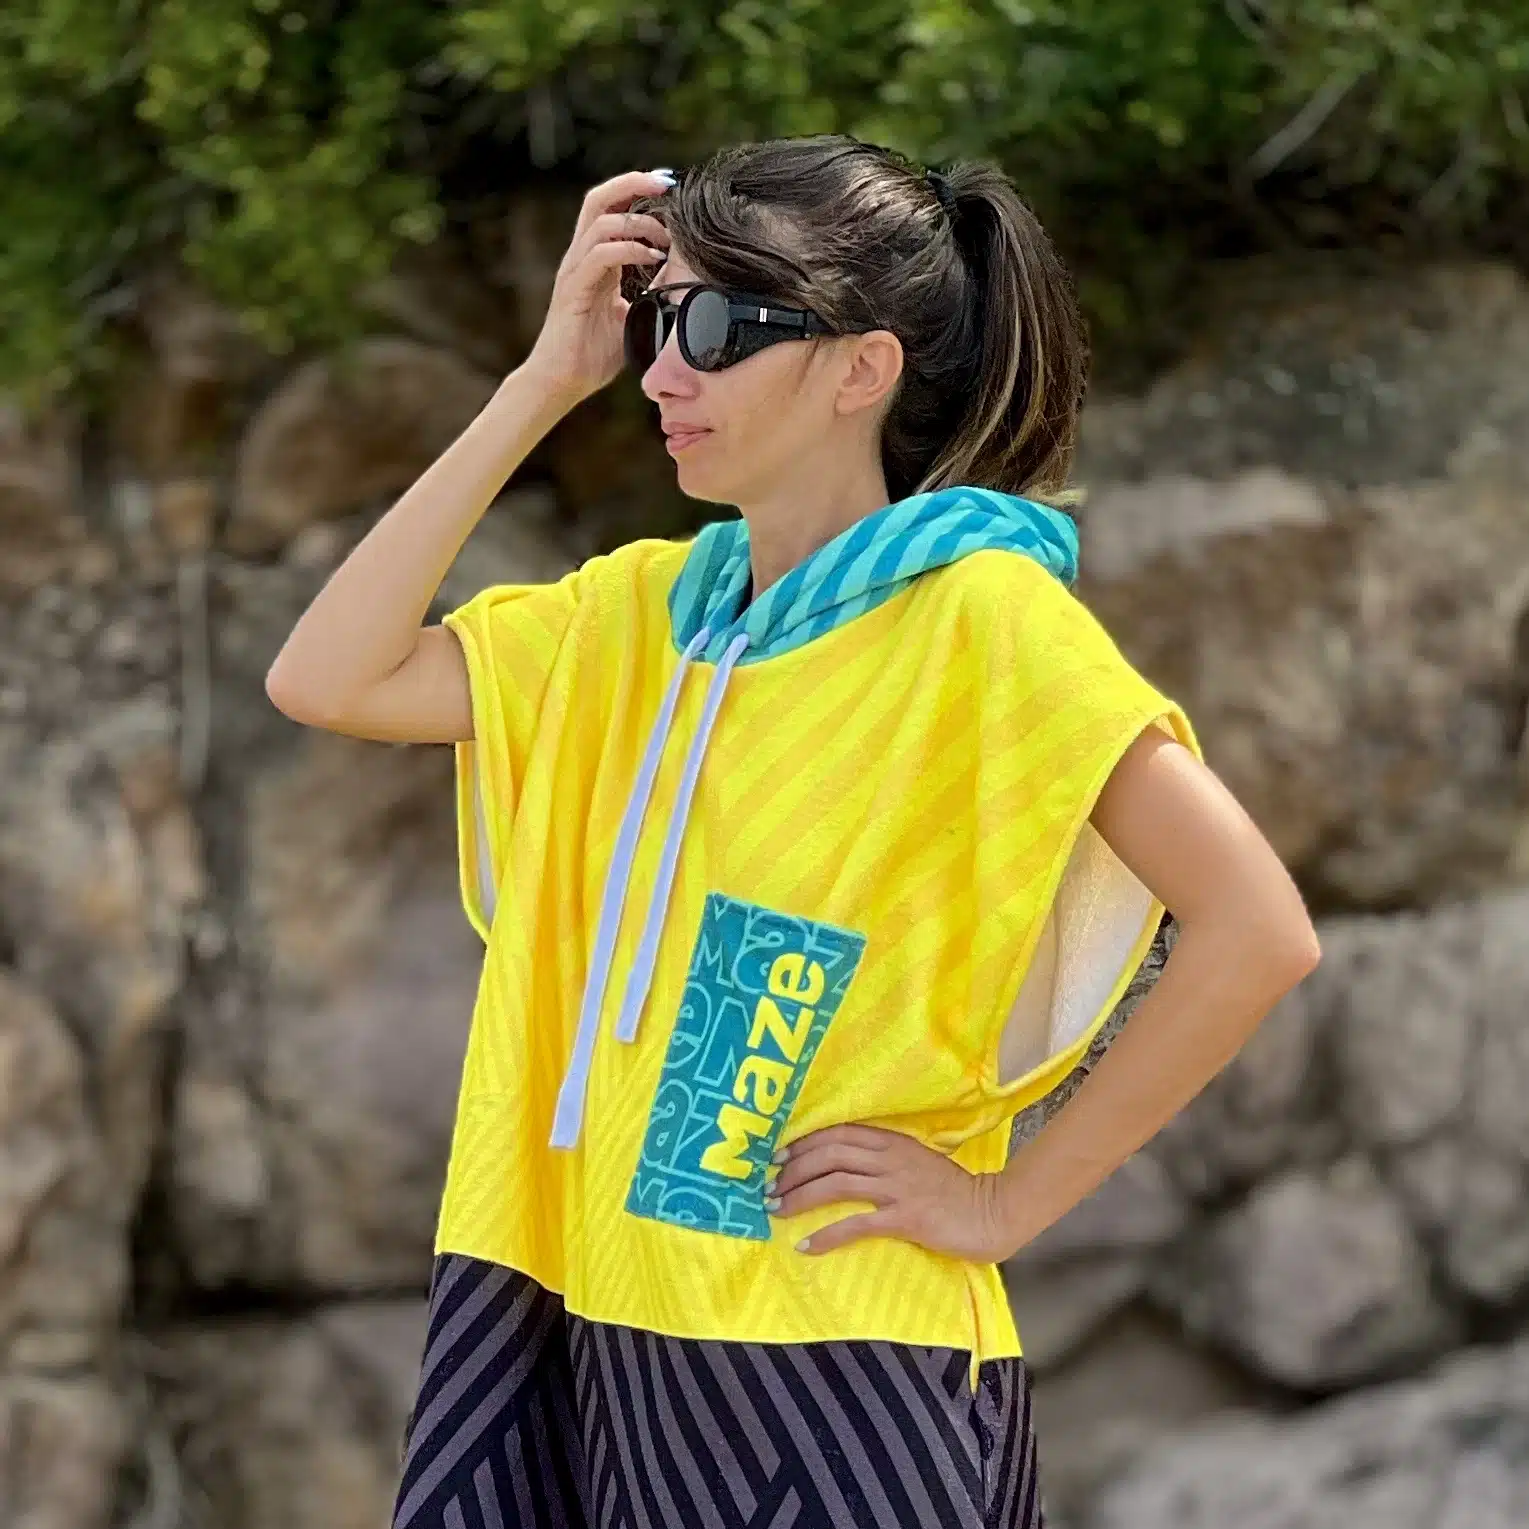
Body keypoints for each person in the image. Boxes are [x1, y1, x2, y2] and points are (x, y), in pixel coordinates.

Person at [266, 135, 1321, 1529]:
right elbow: (326, 678)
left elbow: (1258, 930)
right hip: (577, 1317)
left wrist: (1005, 1209)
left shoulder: (983, 619)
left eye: (713, 327)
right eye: (658, 322)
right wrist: (542, 383)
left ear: (861, 368)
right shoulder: (629, 621)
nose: (664, 372)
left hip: (838, 1365)